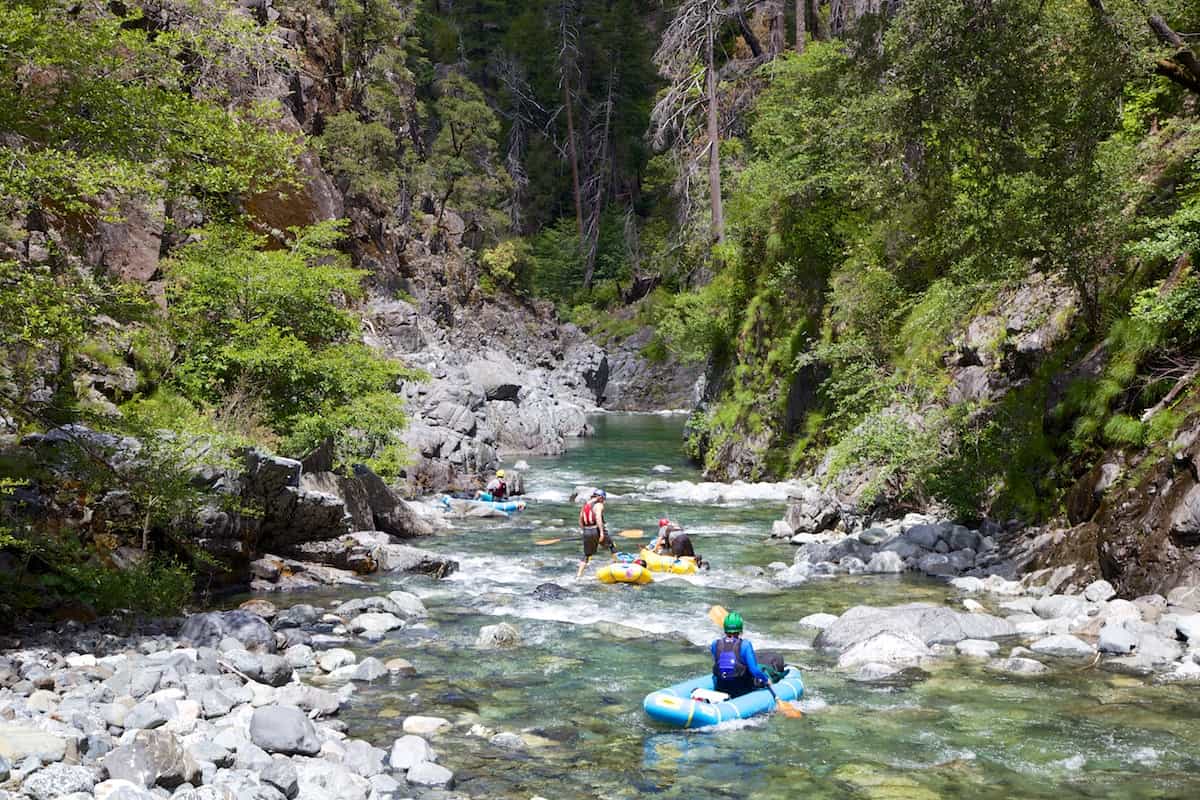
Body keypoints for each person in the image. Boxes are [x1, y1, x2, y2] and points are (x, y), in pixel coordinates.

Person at [710, 611, 775, 700]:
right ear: (740, 629)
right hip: (741, 690)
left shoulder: (715, 644)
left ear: (725, 629)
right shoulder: (745, 644)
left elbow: (721, 663)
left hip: (720, 688)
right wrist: (766, 680)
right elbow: (755, 670)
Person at [576, 489, 615, 577]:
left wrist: (585, 532)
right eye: (604, 499)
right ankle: (618, 564)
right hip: (596, 529)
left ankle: (578, 575)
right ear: (600, 497)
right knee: (611, 546)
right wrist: (601, 532)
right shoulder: (599, 505)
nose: (604, 501)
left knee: (587, 554)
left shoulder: (585, 505)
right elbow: (598, 518)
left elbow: (580, 520)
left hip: (586, 530)